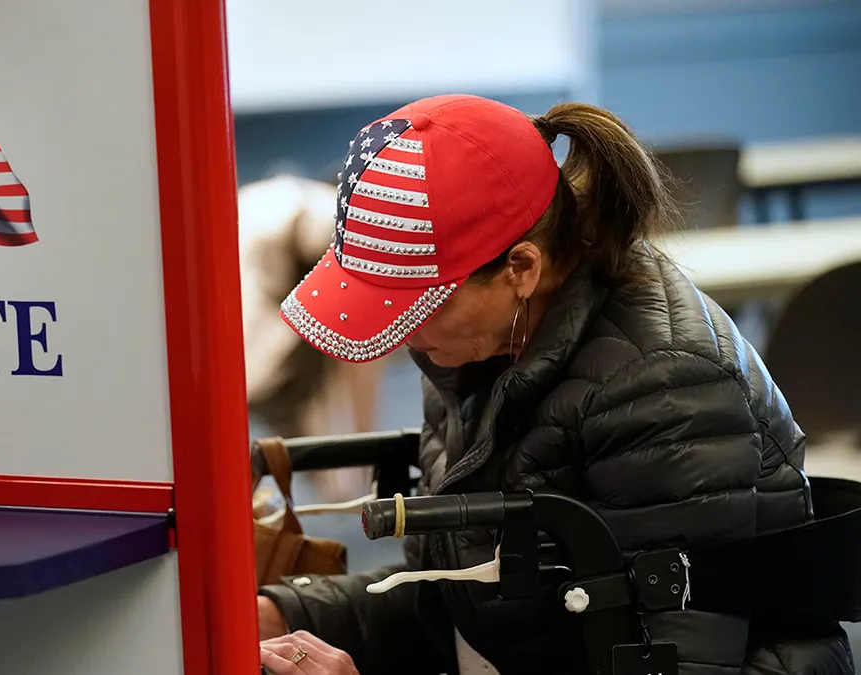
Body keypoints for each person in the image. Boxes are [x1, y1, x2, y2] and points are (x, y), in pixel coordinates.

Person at [254, 94, 853, 675]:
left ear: (521, 268)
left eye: (418, 307)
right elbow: (458, 602)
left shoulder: (663, 386)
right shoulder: (474, 344)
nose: (402, 337)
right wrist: (285, 614)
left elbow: (674, 657)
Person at [239, 174, 386, 504]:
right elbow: (362, 352)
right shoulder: (321, 215)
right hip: (271, 357)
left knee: (325, 477)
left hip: (253, 359)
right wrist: (368, 444)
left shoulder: (260, 200)